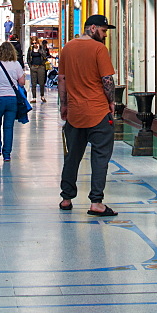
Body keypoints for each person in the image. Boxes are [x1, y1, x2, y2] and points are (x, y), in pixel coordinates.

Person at [58, 14, 117, 216]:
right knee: (100, 156)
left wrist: (63, 105)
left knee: (72, 156)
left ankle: (66, 198)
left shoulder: (67, 48)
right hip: (98, 111)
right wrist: (111, 101)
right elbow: (107, 79)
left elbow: (62, 80)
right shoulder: (99, 49)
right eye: (103, 31)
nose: (105, 35)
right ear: (92, 28)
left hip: (75, 112)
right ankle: (96, 202)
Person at [27, 37, 49, 102]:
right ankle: (34, 97)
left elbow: (45, 55)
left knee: (41, 82)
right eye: (33, 43)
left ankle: (42, 96)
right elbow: (28, 57)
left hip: (41, 66)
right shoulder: (30, 49)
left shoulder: (41, 48)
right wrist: (30, 65)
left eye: (35, 42)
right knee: (33, 83)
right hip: (33, 66)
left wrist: (39, 49)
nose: (34, 44)